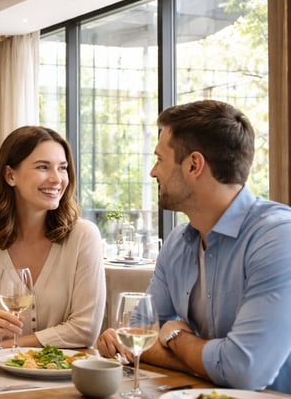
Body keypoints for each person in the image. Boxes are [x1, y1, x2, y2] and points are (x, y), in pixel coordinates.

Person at [96, 100, 291, 393]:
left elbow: (244, 371)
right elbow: (138, 338)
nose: (152, 172)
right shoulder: (177, 242)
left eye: (160, 159)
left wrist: (174, 336)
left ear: (193, 164)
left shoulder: (277, 237)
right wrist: (210, 360)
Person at [0, 126, 105, 352]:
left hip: (62, 379)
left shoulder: (84, 237)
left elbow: (84, 331)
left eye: (62, 168)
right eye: (43, 167)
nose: (56, 179)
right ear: (10, 175)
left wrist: (6, 346)